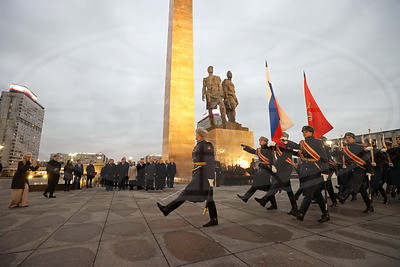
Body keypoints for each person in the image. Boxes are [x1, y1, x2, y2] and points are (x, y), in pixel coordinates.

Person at [157, 127, 218, 227]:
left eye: (196, 134)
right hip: (199, 173)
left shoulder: (207, 145)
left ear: (200, 135)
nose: (195, 136)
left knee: (187, 192)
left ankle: (167, 209)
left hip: (204, 174)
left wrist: (211, 179)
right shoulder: (198, 145)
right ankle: (214, 219)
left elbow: (210, 162)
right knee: (209, 197)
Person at [291, 126, 330, 222]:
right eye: (303, 132)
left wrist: (325, 171)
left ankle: (301, 212)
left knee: (309, 193)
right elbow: (301, 154)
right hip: (306, 170)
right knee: (317, 194)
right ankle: (325, 214)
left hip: (315, 169)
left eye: (306, 131)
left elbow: (323, 157)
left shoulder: (318, 142)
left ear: (312, 133)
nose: (304, 133)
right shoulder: (303, 144)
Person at [254, 132, 299, 215]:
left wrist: (275, 166)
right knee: (289, 190)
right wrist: (270, 145)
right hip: (280, 169)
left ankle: (265, 200)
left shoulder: (289, 146)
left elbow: (283, 156)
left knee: (275, 185)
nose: (280, 138)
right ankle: (294, 208)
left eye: (282, 137)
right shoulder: (278, 146)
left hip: (285, 169)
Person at [335, 132, 374, 213]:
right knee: (362, 189)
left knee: (352, 182)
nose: (347, 139)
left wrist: (370, 170)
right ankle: (370, 206)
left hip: (360, 168)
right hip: (350, 168)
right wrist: (336, 151)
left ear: (353, 138)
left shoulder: (359, 147)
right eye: (346, 137)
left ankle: (344, 196)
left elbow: (366, 158)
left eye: (349, 137)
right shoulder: (345, 148)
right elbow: (342, 158)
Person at [237, 136, 276, 206]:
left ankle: (246, 197)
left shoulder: (269, 148)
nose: (259, 142)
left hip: (266, 169)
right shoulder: (259, 150)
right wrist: (245, 147)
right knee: (267, 187)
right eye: (259, 140)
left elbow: (272, 158)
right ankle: (273, 204)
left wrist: (272, 167)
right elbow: (252, 150)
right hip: (263, 169)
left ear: (265, 141)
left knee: (256, 183)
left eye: (261, 140)